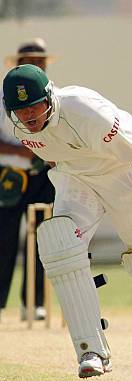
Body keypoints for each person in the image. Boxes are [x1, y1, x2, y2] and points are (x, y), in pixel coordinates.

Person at [2, 64, 132, 378]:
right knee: (58, 243)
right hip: (77, 178)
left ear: (49, 98)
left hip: (122, 175)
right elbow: (57, 157)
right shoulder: (23, 130)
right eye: (20, 111)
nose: (29, 116)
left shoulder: (87, 111)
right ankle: (90, 349)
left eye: (34, 107)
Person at [0, 39, 56, 322]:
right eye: (30, 60)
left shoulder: (53, 95)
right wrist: (24, 150)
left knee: (42, 239)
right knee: (4, 239)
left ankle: (34, 304)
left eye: (40, 60)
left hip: (43, 176)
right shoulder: (4, 96)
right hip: (10, 177)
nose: (37, 64)